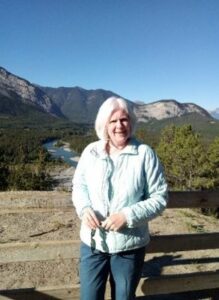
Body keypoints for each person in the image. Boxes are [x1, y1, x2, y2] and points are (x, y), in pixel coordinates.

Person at [72, 97, 168, 300]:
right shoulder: (91, 151)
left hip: (129, 247)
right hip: (92, 242)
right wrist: (84, 208)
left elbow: (159, 197)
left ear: (131, 122)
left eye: (124, 119)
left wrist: (127, 215)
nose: (119, 126)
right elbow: (79, 186)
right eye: (113, 121)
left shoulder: (144, 154)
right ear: (104, 124)